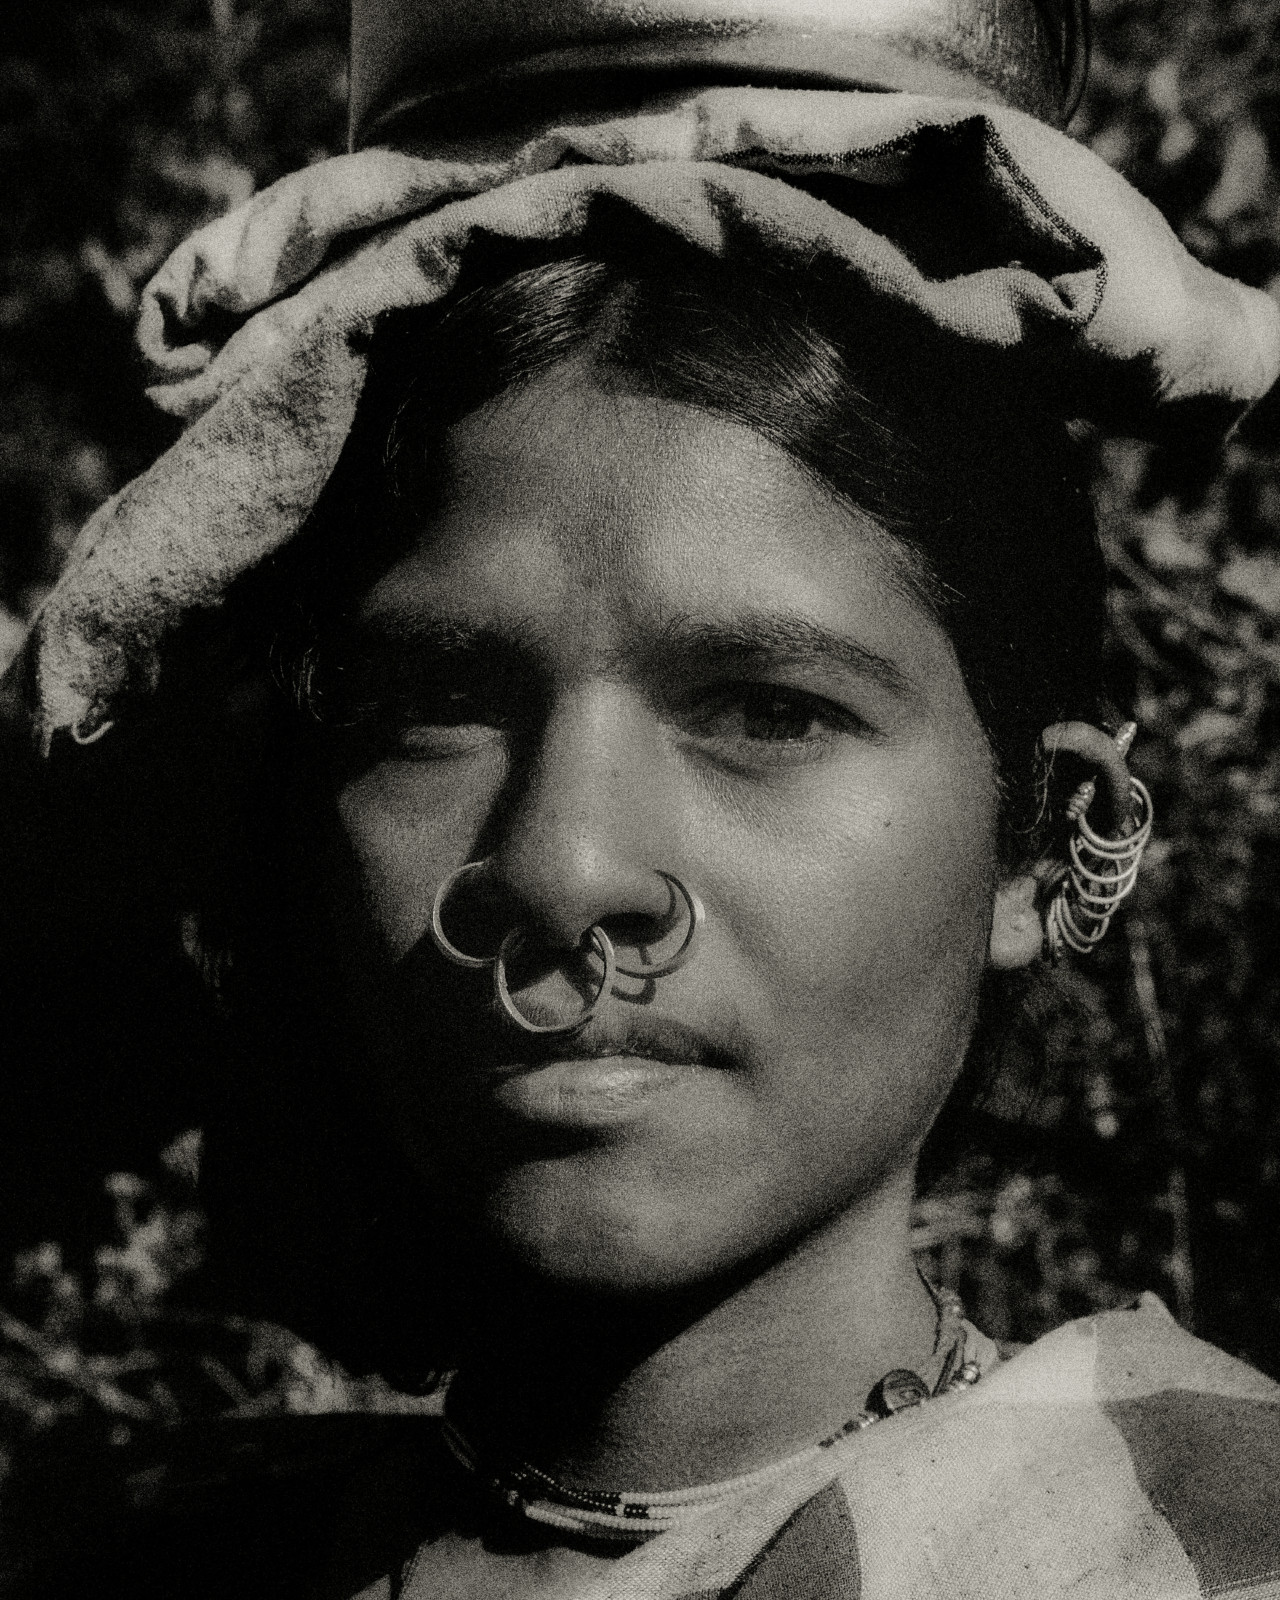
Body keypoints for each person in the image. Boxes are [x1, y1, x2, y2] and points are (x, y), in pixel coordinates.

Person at [3, 2, 1279, 1597]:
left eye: (768, 712)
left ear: (1042, 836)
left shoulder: (1190, 1545)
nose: (564, 864)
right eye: (434, 707)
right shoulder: (138, 1555)